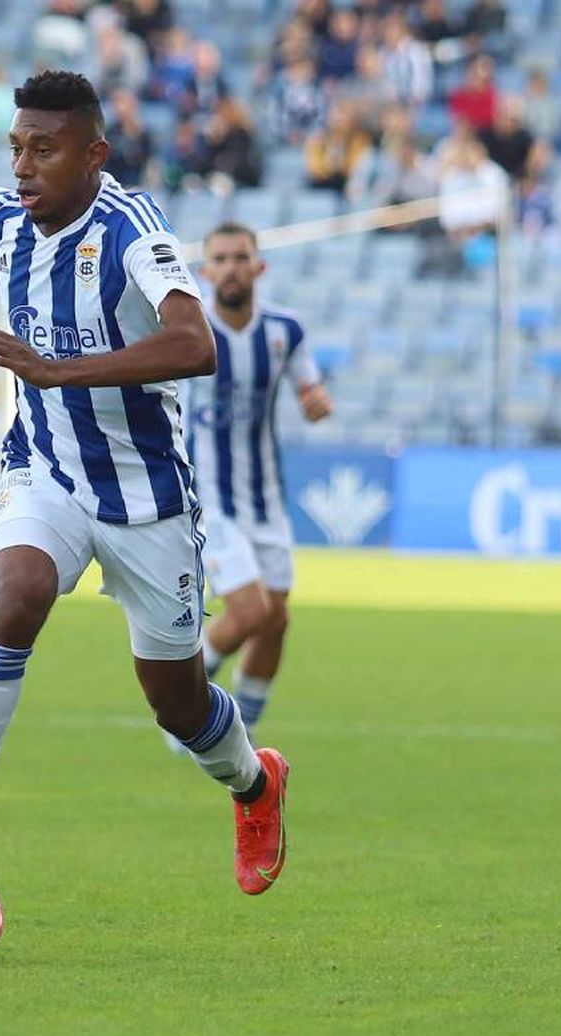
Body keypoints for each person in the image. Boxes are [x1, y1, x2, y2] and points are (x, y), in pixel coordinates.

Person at [0, 72, 292, 947]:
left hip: (145, 494)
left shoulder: (131, 231)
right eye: (16, 146)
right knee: (15, 595)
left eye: (45, 149)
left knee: (179, 703)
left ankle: (254, 784)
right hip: (43, 468)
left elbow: (195, 345)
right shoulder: (5, 211)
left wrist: (50, 369)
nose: (24, 165)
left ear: (94, 155)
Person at [182, 223, 331, 735]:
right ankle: (184, 711)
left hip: (266, 498)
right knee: (247, 612)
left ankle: (241, 728)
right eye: (219, 258)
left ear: (258, 266)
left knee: (276, 621)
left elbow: (312, 394)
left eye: (239, 257)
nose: (229, 267)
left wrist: (317, 405)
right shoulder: (188, 327)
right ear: (205, 271)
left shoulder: (284, 331)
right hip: (209, 501)